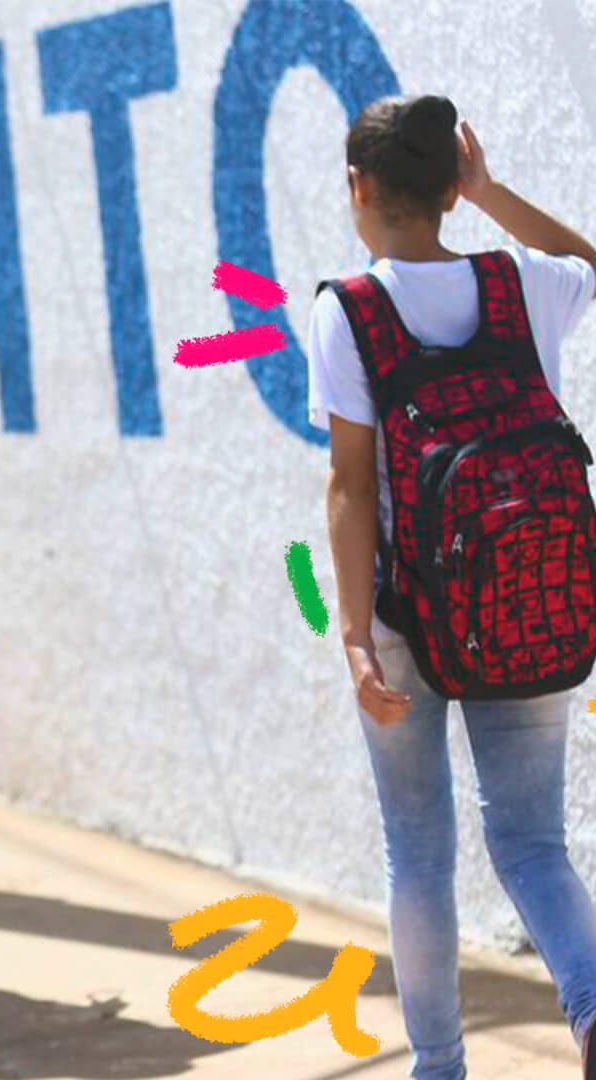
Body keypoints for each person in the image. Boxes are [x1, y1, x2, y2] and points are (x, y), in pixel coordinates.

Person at [309, 95, 596, 1080]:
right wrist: (493, 193)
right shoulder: (521, 281)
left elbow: (350, 485)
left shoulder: (350, 308)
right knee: (531, 844)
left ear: (360, 189)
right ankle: (595, 1008)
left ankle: (438, 1068)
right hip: (528, 595)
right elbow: (595, 266)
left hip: (402, 620)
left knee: (417, 857)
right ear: (447, 189)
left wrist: (352, 636)